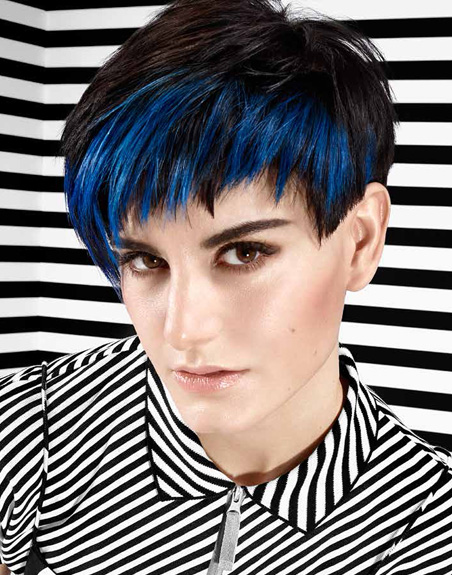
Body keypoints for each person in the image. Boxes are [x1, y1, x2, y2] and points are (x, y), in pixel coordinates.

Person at [1, 0, 451, 574]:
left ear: (360, 241)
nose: (183, 329)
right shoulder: (32, 423)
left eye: (245, 252)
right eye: (145, 259)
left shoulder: (429, 523)